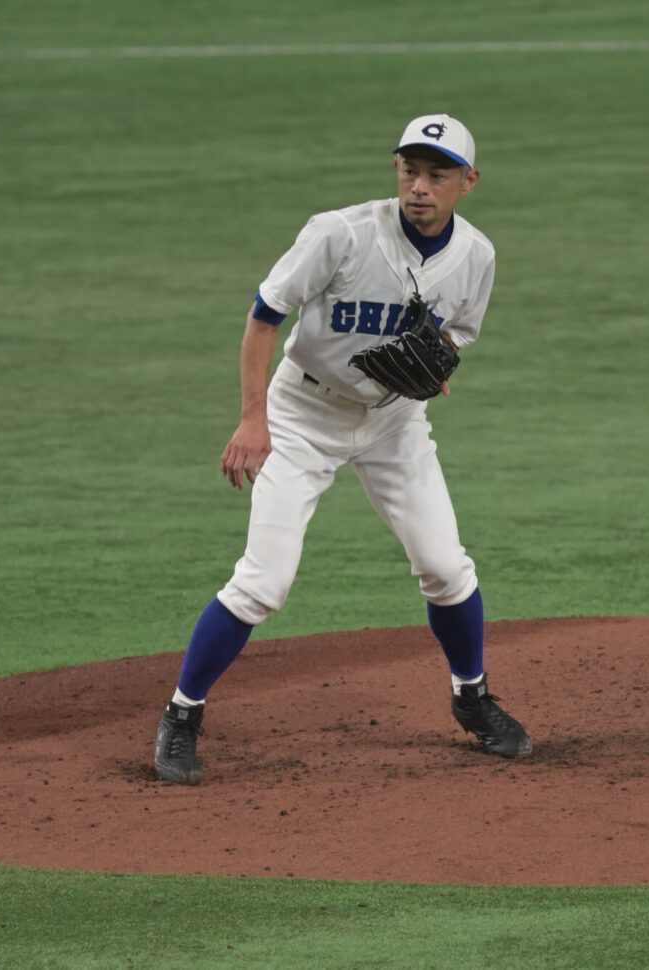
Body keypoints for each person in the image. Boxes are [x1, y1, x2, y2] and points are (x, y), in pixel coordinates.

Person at [152, 114, 532, 785]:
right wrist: (252, 420)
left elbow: (458, 335)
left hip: (394, 422)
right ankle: (182, 716)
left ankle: (471, 697)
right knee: (265, 582)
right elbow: (264, 315)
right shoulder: (340, 234)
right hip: (301, 413)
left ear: (467, 182)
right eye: (408, 169)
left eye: (436, 173)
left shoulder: (477, 256)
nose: (419, 185)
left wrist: (435, 366)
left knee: (447, 567)